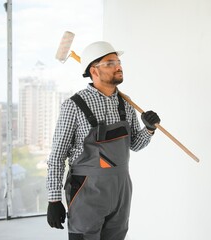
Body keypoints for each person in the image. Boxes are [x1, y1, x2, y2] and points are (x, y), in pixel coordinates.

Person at [46, 41, 160, 240]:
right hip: (87, 191)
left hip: (121, 190)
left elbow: (135, 145)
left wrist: (149, 129)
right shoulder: (74, 106)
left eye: (118, 61)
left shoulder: (125, 103)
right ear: (94, 71)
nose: (118, 66)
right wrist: (54, 199)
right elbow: (57, 156)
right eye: (110, 63)